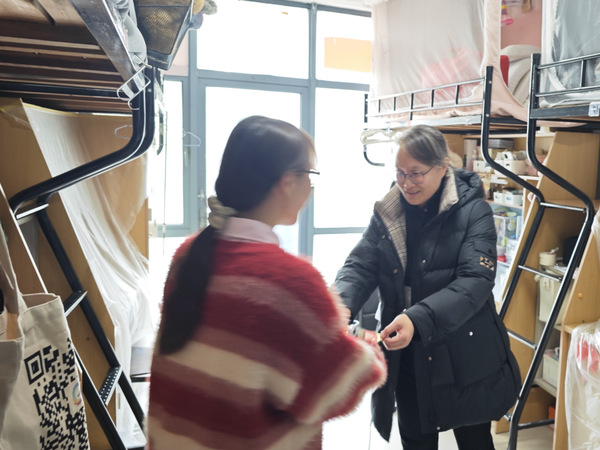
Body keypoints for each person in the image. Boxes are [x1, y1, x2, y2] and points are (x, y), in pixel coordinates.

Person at [147, 115, 387, 450]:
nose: (311, 187)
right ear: (287, 182)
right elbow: (334, 389)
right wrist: (367, 344)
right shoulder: (289, 281)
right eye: (310, 174)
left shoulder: (189, 254)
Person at [334, 125, 520, 450]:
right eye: (400, 173)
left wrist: (417, 318)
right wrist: (337, 305)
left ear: (443, 166)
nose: (406, 183)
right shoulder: (390, 211)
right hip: (408, 351)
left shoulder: (473, 211)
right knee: (415, 437)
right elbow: (361, 264)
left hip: (464, 352)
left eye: (416, 173)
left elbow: (475, 281)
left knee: (474, 439)